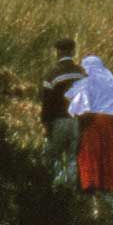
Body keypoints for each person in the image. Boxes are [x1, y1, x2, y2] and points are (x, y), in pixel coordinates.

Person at [68, 55, 113, 198]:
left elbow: (81, 109)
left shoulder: (87, 84)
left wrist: (82, 125)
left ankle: (95, 186)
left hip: (96, 124)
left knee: (94, 155)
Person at [38, 39, 86, 190]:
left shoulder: (52, 74)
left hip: (58, 121)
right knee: (73, 157)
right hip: (77, 121)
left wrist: (46, 123)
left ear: (58, 52)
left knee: (54, 156)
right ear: (73, 52)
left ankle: (55, 190)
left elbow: (47, 102)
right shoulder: (82, 73)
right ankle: (71, 190)